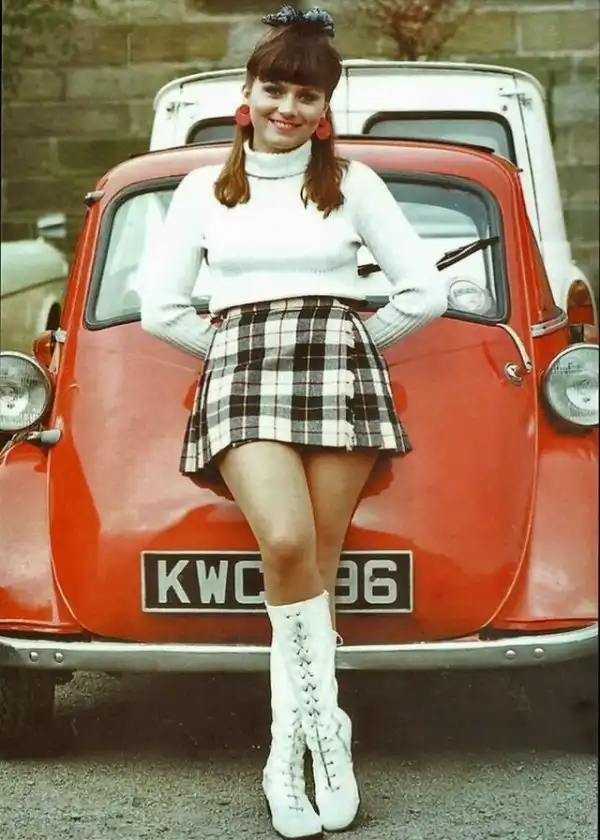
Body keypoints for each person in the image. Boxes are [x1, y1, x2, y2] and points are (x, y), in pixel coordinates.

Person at [140, 6, 448, 838]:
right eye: (275, 89)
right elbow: (159, 306)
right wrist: (230, 349)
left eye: (307, 96)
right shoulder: (204, 189)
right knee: (283, 543)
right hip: (244, 373)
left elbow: (425, 291)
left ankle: (301, 752)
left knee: (317, 563)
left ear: (325, 107)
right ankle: (311, 739)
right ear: (248, 93)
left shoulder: (353, 183)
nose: (289, 108)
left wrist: (358, 340)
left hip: (336, 370)